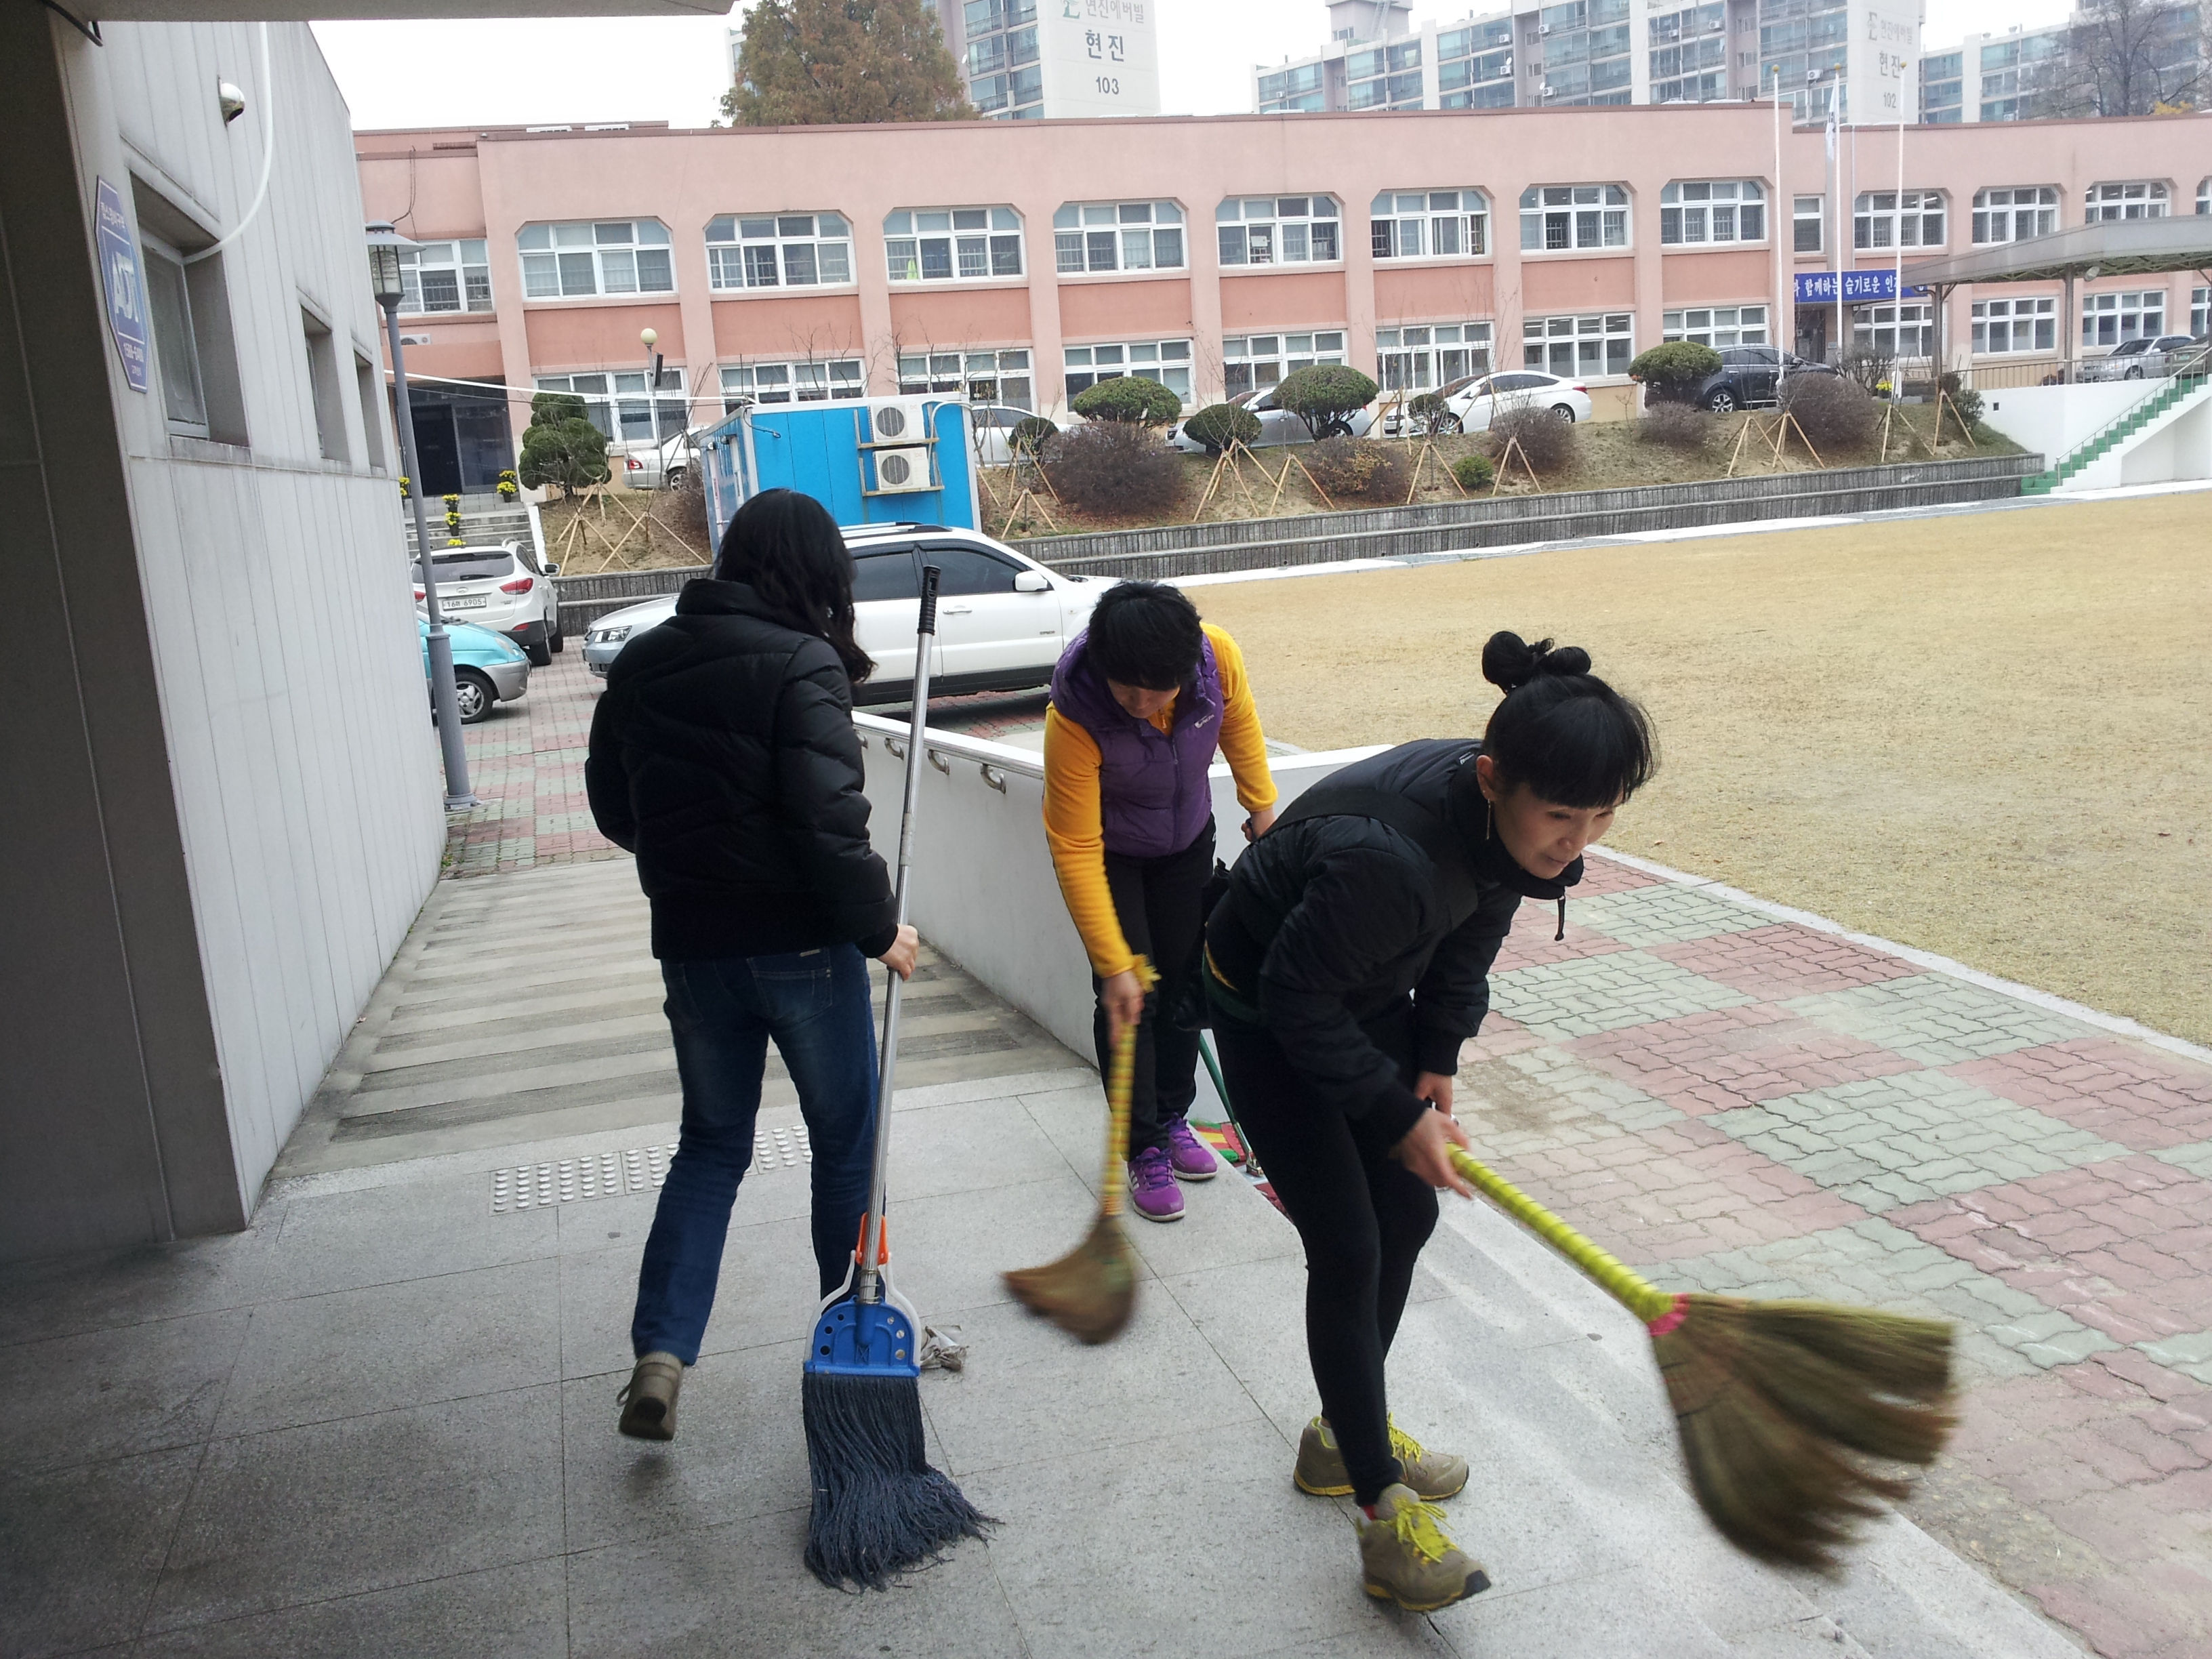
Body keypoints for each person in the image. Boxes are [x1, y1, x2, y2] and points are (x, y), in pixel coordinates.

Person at [1202, 632, 1656, 1612]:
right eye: (1561, 815)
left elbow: (1472, 933)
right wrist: (1389, 1108)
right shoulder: (1393, 860)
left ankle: (1343, 1434)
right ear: (1493, 779)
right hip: (1269, 1007)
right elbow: (1296, 1004)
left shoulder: (1496, 821)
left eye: (1603, 814)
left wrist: (1435, 1059)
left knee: (1408, 1213)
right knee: (1349, 1244)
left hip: (1356, 984)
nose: (1577, 840)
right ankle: (1381, 1512)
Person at [584, 487, 918, 1442]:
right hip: (804, 949)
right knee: (847, 1144)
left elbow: (614, 808)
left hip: (694, 950)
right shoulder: (804, 660)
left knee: (710, 1146)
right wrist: (879, 929)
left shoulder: (643, 661)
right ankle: (850, 1341)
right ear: (818, 571)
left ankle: (660, 1356)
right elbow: (830, 822)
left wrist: (696, 868)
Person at [1042, 580, 1279, 1222]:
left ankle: (1174, 1116)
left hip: (1186, 844)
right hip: (1111, 855)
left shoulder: (1216, 658)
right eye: (1129, 692)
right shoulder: (1075, 713)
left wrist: (1262, 809)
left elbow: (1239, 721)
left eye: (1160, 690)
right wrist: (1113, 962)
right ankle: (1141, 1144)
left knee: (1180, 983)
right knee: (1130, 995)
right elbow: (1074, 845)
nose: (1144, 705)